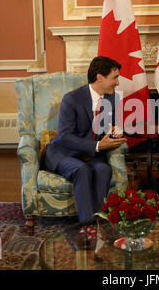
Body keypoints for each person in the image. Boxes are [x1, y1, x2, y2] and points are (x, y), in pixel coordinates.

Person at [44, 56, 127, 222]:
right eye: (115, 77)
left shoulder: (113, 98)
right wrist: (97, 145)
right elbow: (65, 136)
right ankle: (87, 225)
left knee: (104, 169)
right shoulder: (71, 99)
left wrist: (114, 132)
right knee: (82, 169)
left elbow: (109, 127)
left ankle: (99, 219)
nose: (118, 82)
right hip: (63, 153)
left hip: (90, 155)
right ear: (99, 77)